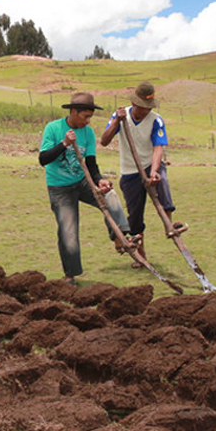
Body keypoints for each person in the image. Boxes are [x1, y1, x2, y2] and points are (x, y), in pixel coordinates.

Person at [38, 92, 132, 285]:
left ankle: (120, 236)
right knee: (68, 230)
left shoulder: (87, 133)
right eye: (85, 116)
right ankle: (70, 275)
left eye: (90, 116)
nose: (88, 121)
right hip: (59, 187)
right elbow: (43, 159)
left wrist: (100, 181)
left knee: (111, 196)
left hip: (82, 182)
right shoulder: (53, 128)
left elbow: (91, 164)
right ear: (73, 112)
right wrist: (64, 144)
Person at [99, 81, 178, 266]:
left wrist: (155, 171)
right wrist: (117, 121)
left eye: (148, 108)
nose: (145, 111)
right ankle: (140, 255)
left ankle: (169, 224)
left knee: (163, 181)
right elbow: (103, 141)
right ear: (134, 104)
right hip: (129, 171)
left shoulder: (156, 119)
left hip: (150, 164)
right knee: (134, 216)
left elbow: (158, 147)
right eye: (142, 107)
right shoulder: (120, 116)